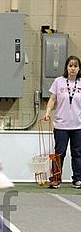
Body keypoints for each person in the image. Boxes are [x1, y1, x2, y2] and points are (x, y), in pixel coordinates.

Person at [44, 55, 81, 188]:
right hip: (61, 125)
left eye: (75, 66)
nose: (73, 68)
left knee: (77, 153)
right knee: (59, 153)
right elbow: (53, 99)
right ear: (66, 67)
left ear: (79, 68)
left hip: (78, 125)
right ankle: (55, 178)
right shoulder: (58, 81)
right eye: (70, 65)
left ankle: (77, 179)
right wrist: (47, 113)